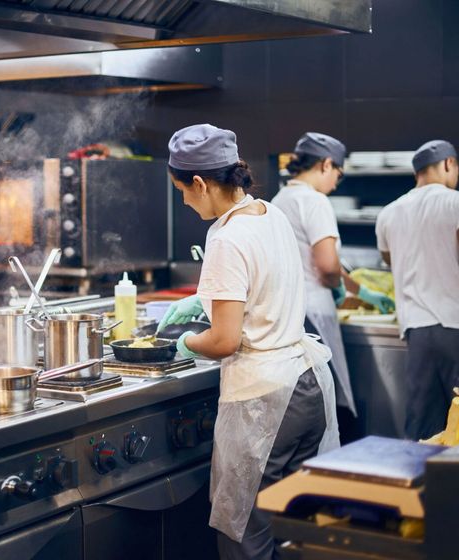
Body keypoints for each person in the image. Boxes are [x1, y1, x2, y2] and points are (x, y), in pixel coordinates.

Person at [158, 124, 339, 559]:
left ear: (200, 183)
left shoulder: (225, 238)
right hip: (307, 383)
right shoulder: (268, 213)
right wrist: (202, 301)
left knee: (246, 536)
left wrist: (187, 342)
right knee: (293, 532)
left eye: (182, 189)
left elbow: (223, 341)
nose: (183, 200)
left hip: (265, 402)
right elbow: (262, 285)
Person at [271, 132, 395, 425]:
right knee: (327, 397)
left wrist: (360, 290)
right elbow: (327, 266)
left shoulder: (279, 199)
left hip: (287, 311)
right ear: (326, 165)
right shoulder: (314, 201)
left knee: (300, 399)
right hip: (315, 312)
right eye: (338, 174)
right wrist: (338, 288)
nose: (336, 182)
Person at [375, 139, 459, 440]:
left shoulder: (389, 213)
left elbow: (390, 260)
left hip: (416, 330)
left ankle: (420, 485)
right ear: (449, 164)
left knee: (423, 425)